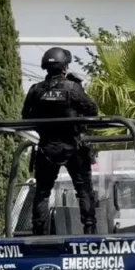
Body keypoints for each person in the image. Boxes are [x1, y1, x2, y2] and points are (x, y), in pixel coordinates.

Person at [21, 47, 100, 235]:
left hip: (46, 148)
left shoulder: (36, 90)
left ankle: (38, 233)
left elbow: (25, 116)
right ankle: (90, 231)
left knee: (42, 191)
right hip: (73, 146)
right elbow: (92, 110)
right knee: (83, 190)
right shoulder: (73, 88)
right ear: (65, 68)